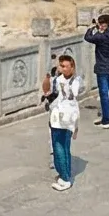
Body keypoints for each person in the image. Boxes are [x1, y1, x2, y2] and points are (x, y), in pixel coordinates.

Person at [42, 54, 83, 191]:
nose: (63, 69)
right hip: (56, 115)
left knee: (60, 146)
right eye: (61, 66)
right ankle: (65, 173)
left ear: (72, 67)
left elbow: (74, 93)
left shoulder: (75, 80)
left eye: (66, 66)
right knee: (62, 146)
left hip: (67, 116)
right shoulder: (56, 79)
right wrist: (48, 78)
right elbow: (47, 90)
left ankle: (65, 178)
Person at [83, 14, 109, 127]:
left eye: (102, 23)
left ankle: (106, 120)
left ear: (106, 24)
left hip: (102, 68)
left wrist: (92, 27)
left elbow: (87, 37)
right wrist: (102, 30)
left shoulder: (100, 37)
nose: (100, 25)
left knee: (104, 93)